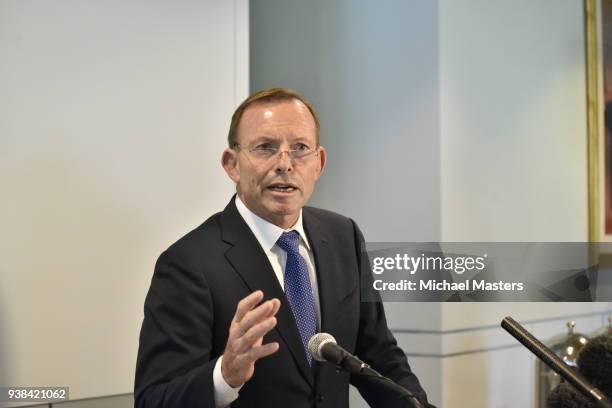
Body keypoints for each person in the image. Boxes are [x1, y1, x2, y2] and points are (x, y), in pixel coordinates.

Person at [134, 88, 434, 407]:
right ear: (232, 163)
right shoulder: (188, 264)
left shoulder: (343, 236)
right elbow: (154, 399)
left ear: (318, 163)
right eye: (266, 147)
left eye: (300, 148)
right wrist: (225, 375)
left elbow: (379, 357)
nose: (285, 164)